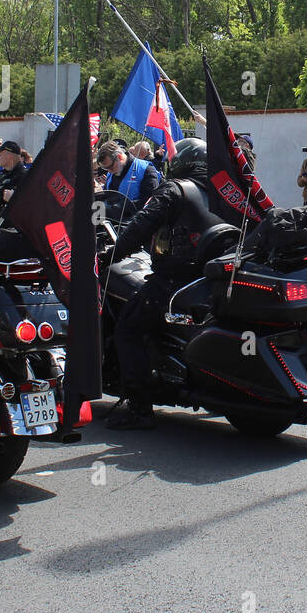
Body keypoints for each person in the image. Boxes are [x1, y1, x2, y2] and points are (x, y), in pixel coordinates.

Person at [104, 139, 227, 430]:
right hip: (211, 279)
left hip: (174, 280)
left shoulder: (176, 189)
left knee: (128, 329)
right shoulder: (224, 191)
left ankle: (140, 409)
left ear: (182, 161)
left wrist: (113, 252)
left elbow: (142, 224)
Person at [98, 140, 161, 210]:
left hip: (135, 219)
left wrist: (120, 207)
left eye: (111, 167)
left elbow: (150, 203)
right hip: (110, 219)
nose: (109, 171)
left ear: (120, 157)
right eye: (105, 168)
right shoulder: (111, 172)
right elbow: (107, 196)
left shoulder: (145, 169)